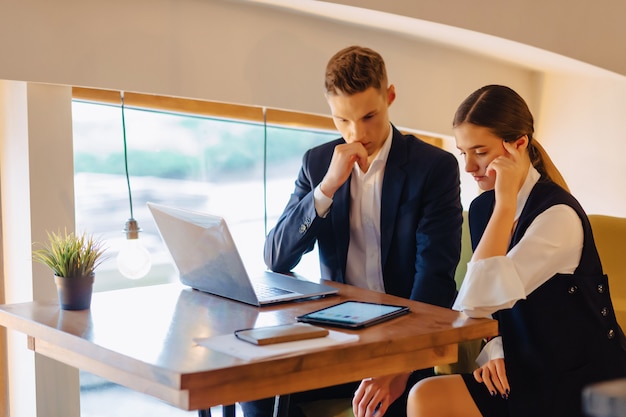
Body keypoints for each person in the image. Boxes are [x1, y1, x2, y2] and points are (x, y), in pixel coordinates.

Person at [241, 46, 463, 417]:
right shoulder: (317, 163)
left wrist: (400, 366)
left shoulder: (434, 168)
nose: (356, 133)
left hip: (402, 343)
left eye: (369, 116)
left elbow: (435, 280)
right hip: (335, 338)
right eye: (341, 121)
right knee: (255, 388)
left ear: (390, 96)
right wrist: (326, 188)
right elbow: (276, 257)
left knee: (383, 409)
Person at [407, 84, 626, 417]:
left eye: (479, 151)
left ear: (518, 143)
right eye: (463, 151)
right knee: (425, 396)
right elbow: (479, 308)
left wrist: (506, 203)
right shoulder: (484, 209)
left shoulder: (558, 217)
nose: (468, 166)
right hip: (523, 371)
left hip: (580, 383)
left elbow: (478, 298)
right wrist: (494, 349)